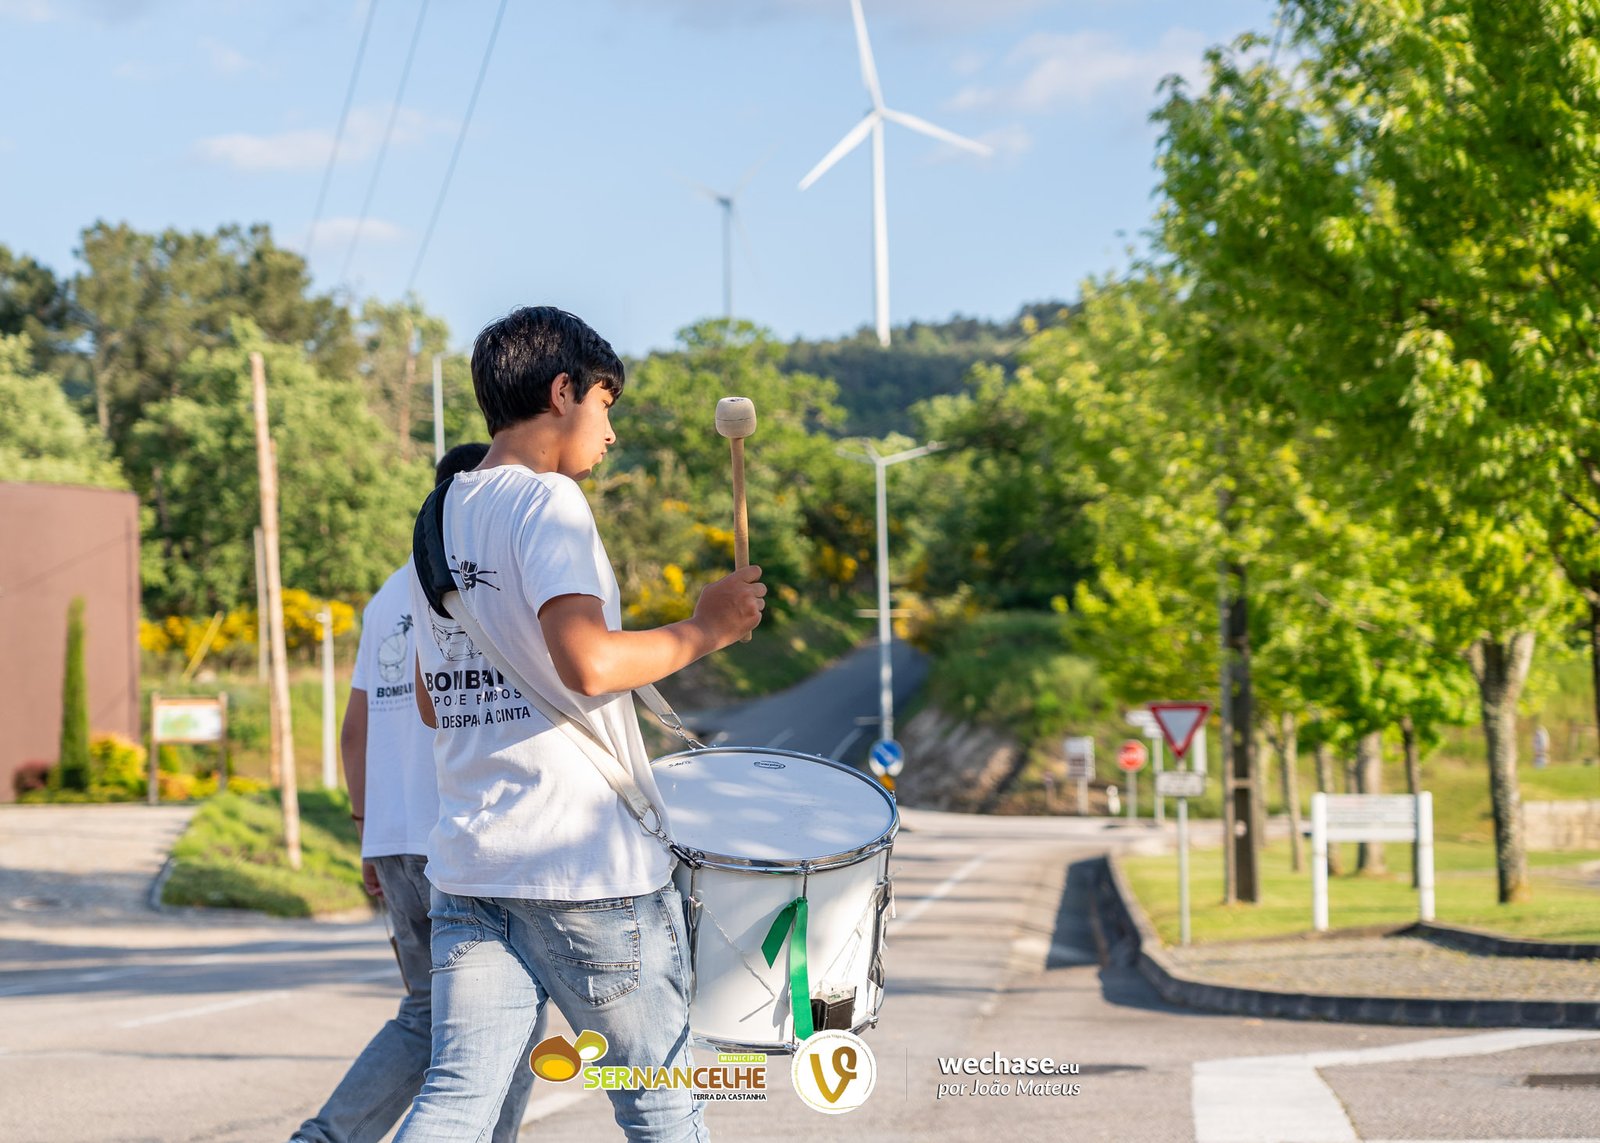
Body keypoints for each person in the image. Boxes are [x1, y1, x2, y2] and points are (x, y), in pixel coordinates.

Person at [395, 306, 765, 1142]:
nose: (610, 432)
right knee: (660, 1101)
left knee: (455, 1101)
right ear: (563, 391)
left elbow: (431, 698)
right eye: (605, 404)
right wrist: (707, 626)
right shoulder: (548, 501)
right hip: (582, 866)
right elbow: (589, 663)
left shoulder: (436, 516)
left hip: (472, 863)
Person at [291, 443, 541, 1143]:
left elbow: (355, 730)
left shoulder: (385, 597)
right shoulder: (477, 586)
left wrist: (366, 831)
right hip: (461, 837)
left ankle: (326, 1137)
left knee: (428, 1011)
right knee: (511, 1015)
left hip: (394, 837)